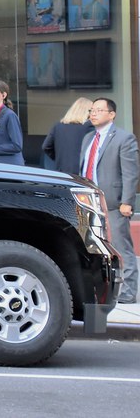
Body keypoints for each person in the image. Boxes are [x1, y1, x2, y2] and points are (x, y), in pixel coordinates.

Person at [79, 98, 138, 304]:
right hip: (89, 202)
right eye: (92, 110)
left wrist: (127, 201)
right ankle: (99, 289)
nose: (93, 114)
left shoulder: (124, 138)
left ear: (111, 114)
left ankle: (129, 291)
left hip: (113, 202)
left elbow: (131, 173)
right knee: (94, 248)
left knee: (121, 247)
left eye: (99, 110)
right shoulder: (87, 138)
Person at [41, 97, 93, 175]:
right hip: (81, 173)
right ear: (87, 112)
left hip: (61, 172)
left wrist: (60, 158)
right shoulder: (89, 127)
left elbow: (46, 146)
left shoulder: (58, 126)